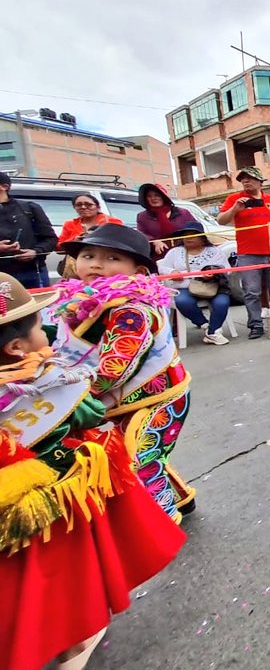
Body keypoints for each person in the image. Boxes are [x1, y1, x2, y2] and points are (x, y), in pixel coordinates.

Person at [0, 272, 185, 670]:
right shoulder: (45, 382)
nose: (47, 333)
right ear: (17, 348)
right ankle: (73, 641)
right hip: (52, 495)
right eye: (38, 329)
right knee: (62, 571)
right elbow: (90, 411)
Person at [55, 224, 196, 522]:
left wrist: (66, 394)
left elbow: (114, 368)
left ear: (139, 272)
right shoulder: (83, 302)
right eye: (88, 255)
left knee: (137, 458)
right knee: (143, 452)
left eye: (112, 258)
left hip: (159, 400)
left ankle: (163, 523)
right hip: (127, 400)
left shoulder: (131, 310)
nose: (96, 263)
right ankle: (181, 498)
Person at [217, 167, 270, 339]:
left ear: (260, 182)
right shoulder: (234, 199)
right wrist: (235, 210)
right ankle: (255, 324)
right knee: (251, 291)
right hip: (248, 254)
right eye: (243, 179)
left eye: (250, 178)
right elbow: (221, 220)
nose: (246, 181)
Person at [158, 220, 232, 345]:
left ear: (202, 238)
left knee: (222, 302)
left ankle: (212, 333)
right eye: (186, 235)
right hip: (184, 287)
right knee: (182, 301)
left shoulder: (214, 251)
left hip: (212, 286)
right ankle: (205, 325)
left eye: (193, 234)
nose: (188, 238)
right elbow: (162, 267)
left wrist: (213, 274)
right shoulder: (175, 252)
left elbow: (227, 269)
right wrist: (173, 272)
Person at [0, 171, 57, 289]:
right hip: (2, 276)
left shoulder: (29, 208)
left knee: (39, 306)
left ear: (4, 187)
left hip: (31, 273)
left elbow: (50, 239)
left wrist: (35, 252)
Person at [135, 183, 197, 260]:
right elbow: (141, 234)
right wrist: (154, 241)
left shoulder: (183, 213)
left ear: (164, 197)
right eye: (149, 196)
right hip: (159, 257)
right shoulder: (142, 216)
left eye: (157, 195)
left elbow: (196, 230)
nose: (153, 198)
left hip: (185, 254)